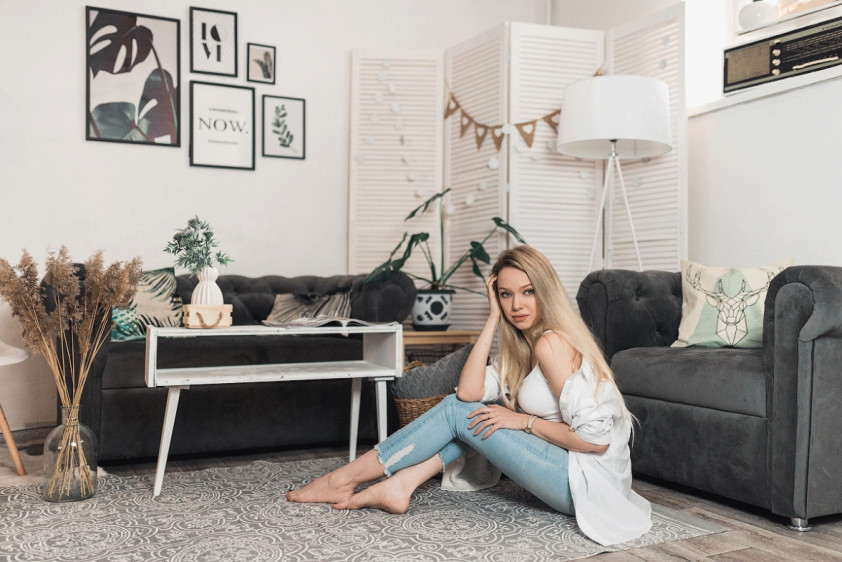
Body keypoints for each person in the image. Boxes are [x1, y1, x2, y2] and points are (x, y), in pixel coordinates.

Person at [287, 245, 651, 546]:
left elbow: (595, 442)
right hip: (572, 474)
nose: (517, 305)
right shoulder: (524, 346)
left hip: (584, 483)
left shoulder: (552, 343)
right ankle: (400, 485)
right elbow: (468, 391)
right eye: (506, 294)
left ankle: (343, 480)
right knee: (473, 409)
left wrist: (524, 421)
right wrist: (492, 320)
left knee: (461, 413)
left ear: (546, 291)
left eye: (528, 292)